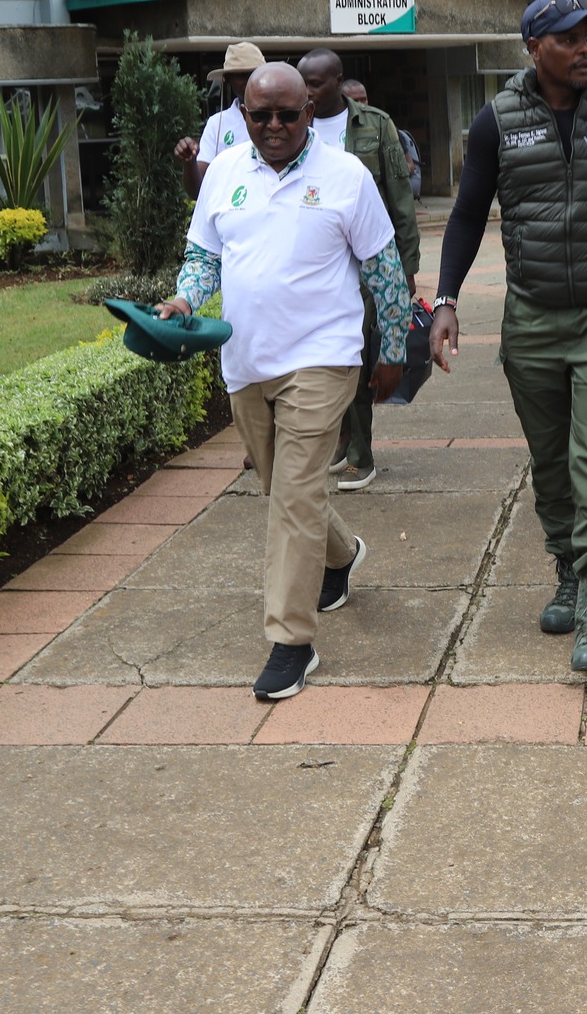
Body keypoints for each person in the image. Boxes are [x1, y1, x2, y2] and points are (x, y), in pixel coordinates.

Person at [429, 0, 587, 675]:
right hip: (532, 319)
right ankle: (567, 567)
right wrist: (446, 298)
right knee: (552, 464)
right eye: (570, 39)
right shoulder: (496, 122)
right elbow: (466, 214)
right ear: (534, 47)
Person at [157, 62, 413, 700]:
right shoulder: (224, 178)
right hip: (245, 362)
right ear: (243, 115)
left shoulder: (345, 175)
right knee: (285, 492)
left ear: (310, 113)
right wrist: (185, 301)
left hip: (324, 358)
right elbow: (203, 257)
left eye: (287, 114)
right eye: (260, 114)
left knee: (293, 497)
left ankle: (290, 642)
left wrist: (395, 350)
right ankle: (342, 554)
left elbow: (382, 266)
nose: (274, 126)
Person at [300, 50, 421, 492]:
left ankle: (362, 454)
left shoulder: (374, 124)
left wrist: (407, 266)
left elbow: (399, 194)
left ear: (337, 81)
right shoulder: (298, 126)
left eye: (316, 83)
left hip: (372, 260)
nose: (308, 91)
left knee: (360, 352)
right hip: (324, 266)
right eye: (304, 83)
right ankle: (344, 438)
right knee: (332, 355)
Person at [175, 41, 266, 197]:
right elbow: (197, 191)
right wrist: (189, 162)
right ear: (227, 79)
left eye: (254, 73)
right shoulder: (217, 124)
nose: (250, 80)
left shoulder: (282, 118)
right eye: (241, 75)